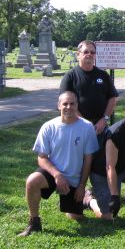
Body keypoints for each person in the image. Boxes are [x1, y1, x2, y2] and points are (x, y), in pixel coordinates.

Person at [18, 91, 99, 236]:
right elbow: (42, 158)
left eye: (72, 103)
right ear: (58, 105)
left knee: (76, 217)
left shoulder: (87, 127)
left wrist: (81, 186)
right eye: (65, 104)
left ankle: (87, 199)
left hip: (74, 179)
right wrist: (57, 175)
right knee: (32, 181)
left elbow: (88, 160)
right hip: (53, 173)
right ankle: (34, 222)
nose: (68, 107)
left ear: (77, 105)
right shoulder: (49, 127)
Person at [59, 40, 118, 145]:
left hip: (100, 126)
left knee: (101, 157)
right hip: (77, 125)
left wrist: (104, 119)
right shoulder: (70, 76)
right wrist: (84, 123)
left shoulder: (103, 75)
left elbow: (112, 99)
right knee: (79, 158)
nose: (89, 54)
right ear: (78, 54)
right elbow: (65, 103)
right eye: (86, 52)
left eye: (92, 52)